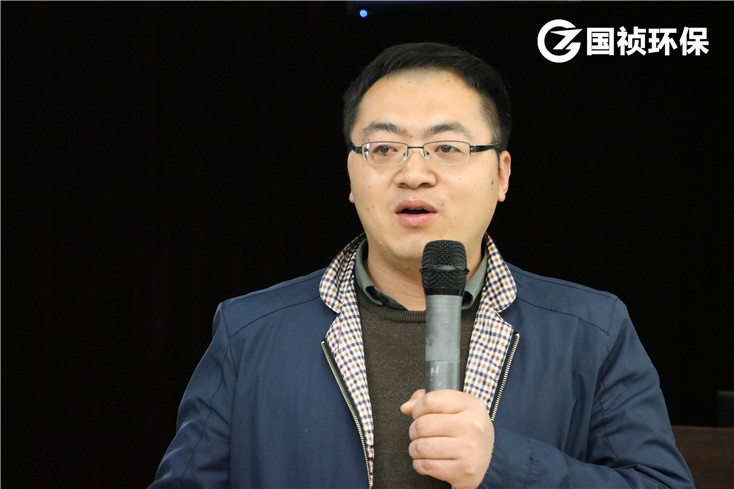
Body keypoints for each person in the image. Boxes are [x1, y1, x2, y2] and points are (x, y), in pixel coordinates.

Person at [149, 42, 693, 489]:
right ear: (351, 175)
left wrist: (503, 465)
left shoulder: (591, 330)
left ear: (502, 175)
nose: (413, 174)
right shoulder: (249, 330)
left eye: (447, 148)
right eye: (384, 149)